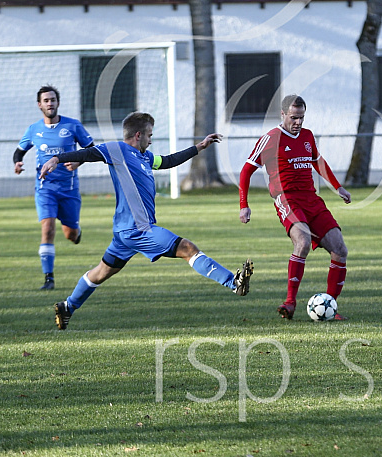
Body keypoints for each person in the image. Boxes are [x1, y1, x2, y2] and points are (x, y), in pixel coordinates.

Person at [39, 112, 253, 330]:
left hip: (125, 233)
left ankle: (67, 307)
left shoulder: (145, 157)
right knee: (188, 248)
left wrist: (199, 147)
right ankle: (233, 283)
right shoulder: (117, 150)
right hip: (138, 230)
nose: (151, 140)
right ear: (138, 134)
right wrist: (56, 159)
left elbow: (169, 161)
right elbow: (87, 153)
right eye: (149, 135)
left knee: (101, 272)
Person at [238, 95, 350, 320]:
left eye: (301, 117)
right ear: (283, 115)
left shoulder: (307, 136)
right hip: (287, 198)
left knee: (340, 249)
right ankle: (290, 302)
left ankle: (330, 306)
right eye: (293, 118)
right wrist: (244, 205)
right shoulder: (270, 139)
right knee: (303, 241)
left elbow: (318, 162)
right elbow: (246, 171)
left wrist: (337, 187)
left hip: (311, 199)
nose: (298, 123)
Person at [14, 85, 95, 290]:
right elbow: (19, 151)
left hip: (68, 190)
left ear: (58, 102)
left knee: (70, 235)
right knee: (48, 229)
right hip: (45, 189)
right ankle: (48, 279)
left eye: (53, 100)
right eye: (46, 100)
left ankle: (76, 232)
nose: (50, 103)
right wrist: (17, 163)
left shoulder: (73, 126)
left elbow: (92, 151)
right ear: (40, 104)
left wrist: (78, 162)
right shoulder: (34, 130)